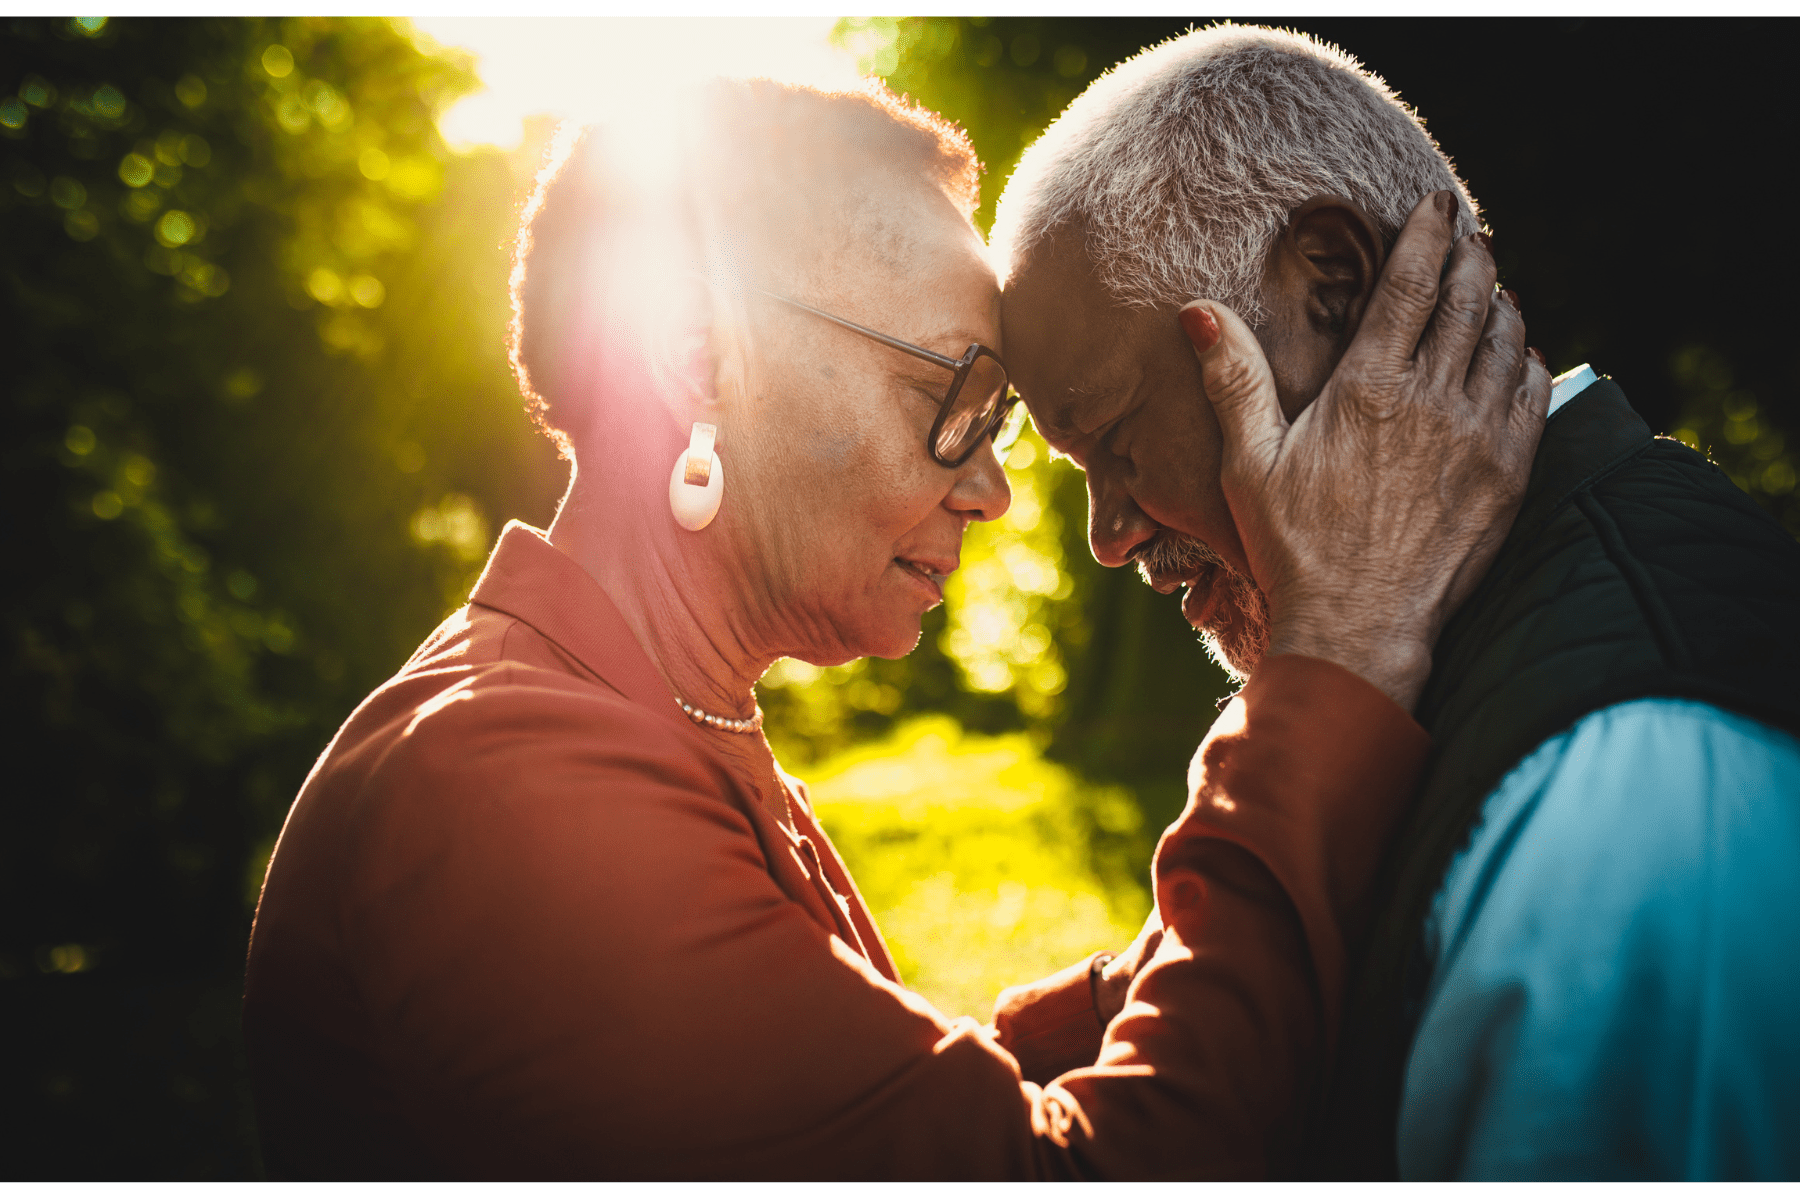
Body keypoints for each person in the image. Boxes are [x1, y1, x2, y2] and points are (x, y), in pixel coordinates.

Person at [242, 78, 1543, 1179]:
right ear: (698, 361)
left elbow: (879, 1113)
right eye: (957, 394)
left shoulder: (638, 715)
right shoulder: (508, 786)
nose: (988, 488)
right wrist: (1335, 656)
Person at [994, 24, 1800, 1181]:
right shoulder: (1438, 671)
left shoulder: (1635, 784)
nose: (1110, 536)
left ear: (1334, 286)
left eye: (1117, 439)